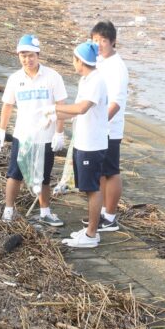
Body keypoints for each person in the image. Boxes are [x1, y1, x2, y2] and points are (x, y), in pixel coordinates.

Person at [0, 34, 67, 226]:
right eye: (23, 55)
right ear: (18, 56)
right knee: (15, 174)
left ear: (38, 55)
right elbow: (8, 105)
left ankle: (45, 212)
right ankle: (8, 210)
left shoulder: (53, 77)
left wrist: (59, 132)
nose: (27, 60)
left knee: (44, 176)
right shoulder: (15, 79)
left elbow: (61, 106)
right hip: (23, 135)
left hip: (45, 136)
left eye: (31, 55)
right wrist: (1, 130)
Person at [50, 41, 109, 248]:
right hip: (83, 141)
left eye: (73, 59)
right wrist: (54, 115)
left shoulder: (96, 81)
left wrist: (54, 111)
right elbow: (74, 111)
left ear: (80, 61)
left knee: (92, 188)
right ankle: (90, 230)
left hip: (92, 145)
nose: (72, 63)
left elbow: (82, 108)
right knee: (87, 187)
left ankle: (92, 235)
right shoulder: (86, 80)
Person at [90, 21, 129, 232]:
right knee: (102, 172)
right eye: (95, 40)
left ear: (113, 42)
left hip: (110, 128)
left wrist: (100, 122)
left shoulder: (117, 67)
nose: (99, 44)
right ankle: (103, 213)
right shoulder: (98, 61)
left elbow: (116, 102)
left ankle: (111, 216)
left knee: (111, 171)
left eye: (103, 41)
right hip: (98, 127)